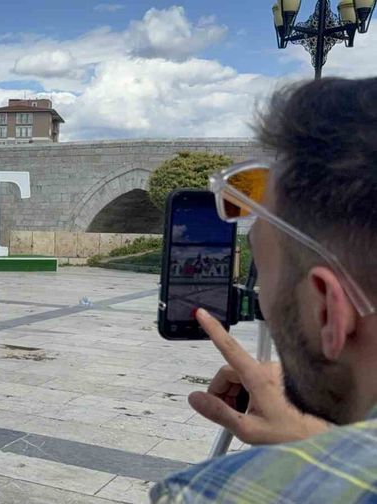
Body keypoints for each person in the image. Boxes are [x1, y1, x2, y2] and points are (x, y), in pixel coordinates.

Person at [151, 77, 377, 502]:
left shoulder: (210, 494)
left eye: (265, 277)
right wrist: (324, 442)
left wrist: (314, 464)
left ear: (328, 311)